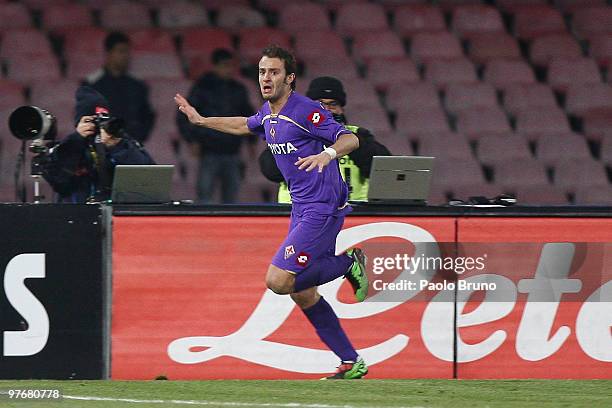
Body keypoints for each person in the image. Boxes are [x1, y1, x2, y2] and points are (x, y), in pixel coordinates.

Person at [175, 45, 369, 379]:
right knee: (302, 292)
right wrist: (201, 120)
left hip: (322, 206)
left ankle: (349, 263)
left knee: (279, 280)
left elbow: (348, 139)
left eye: (274, 72)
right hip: (303, 206)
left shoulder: (306, 110)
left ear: (290, 78)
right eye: (263, 71)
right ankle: (351, 361)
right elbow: (243, 125)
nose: (266, 77)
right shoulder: (269, 113)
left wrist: (328, 155)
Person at [259, 76, 391, 203]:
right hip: (297, 214)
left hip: (350, 217)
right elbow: (271, 171)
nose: (327, 109)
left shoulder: (357, 135)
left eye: (333, 104)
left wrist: (344, 140)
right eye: (320, 104)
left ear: (342, 109)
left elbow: (385, 171)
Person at [43, 86, 155, 203]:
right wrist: (77, 139)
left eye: (102, 120)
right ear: (78, 123)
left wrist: (117, 147)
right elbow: (58, 182)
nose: (97, 124)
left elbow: (149, 179)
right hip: (75, 213)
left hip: (115, 212)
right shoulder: (68, 146)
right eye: (91, 120)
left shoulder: (122, 142)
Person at [176, 48, 255, 204]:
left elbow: (249, 116)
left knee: (232, 199)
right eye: (225, 65)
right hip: (209, 150)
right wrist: (192, 140)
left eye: (231, 65)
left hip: (232, 150)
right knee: (205, 198)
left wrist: (251, 141)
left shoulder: (238, 89)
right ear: (215, 66)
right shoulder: (202, 87)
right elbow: (185, 115)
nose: (229, 69)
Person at [84, 31, 155, 144]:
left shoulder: (137, 85)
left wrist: (138, 136)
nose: (126, 56)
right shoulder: (93, 85)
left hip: (131, 146)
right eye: (121, 51)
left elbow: (147, 115)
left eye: (127, 52)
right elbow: (85, 116)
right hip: (102, 147)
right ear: (109, 53)